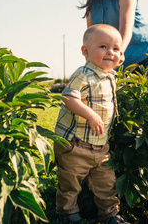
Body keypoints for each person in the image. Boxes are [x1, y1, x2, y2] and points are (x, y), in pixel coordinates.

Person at [54, 24, 129, 224]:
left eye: (116, 49)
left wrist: (116, 57)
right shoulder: (83, 74)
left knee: (107, 184)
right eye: (103, 46)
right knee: (70, 183)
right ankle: (68, 214)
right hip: (75, 146)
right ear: (85, 51)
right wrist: (90, 115)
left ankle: (110, 215)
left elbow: (114, 60)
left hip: (101, 147)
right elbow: (68, 98)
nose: (110, 53)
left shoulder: (109, 75)